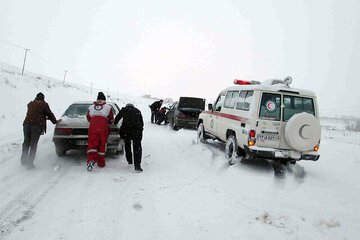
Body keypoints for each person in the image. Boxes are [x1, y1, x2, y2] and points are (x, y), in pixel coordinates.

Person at [21, 92, 57, 169]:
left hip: (26, 124)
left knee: (26, 141)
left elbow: (35, 113)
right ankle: (30, 163)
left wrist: (42, 116)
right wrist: (55, 122)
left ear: (36, 97)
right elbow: (49, 114)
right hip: (36, 126)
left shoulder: (30, 104)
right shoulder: (44, 104)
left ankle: (23, 160)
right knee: (33, 144)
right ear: (43, 98)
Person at [86, 92, 114, 171]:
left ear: (97, 99)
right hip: (103, 128)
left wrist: (94, 120)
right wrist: (107, 122)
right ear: (104, 99)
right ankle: (101, 163)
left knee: (92, 144)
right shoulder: (108, 107)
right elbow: (111, 119)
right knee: (102, 144)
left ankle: (91, 160)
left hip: (93, 127)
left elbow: (88, 118)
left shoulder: (91, 107)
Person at [114, 103, 144, 172]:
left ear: (126, 106)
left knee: (127, 145)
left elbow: (117, 118)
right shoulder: (137, 111)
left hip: (126, 131)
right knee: (137, 148)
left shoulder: (124, 110)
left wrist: (115, 123)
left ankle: (129, 160)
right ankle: (137, 166)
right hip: (136, 131)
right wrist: (140, 130)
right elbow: (141, 123)